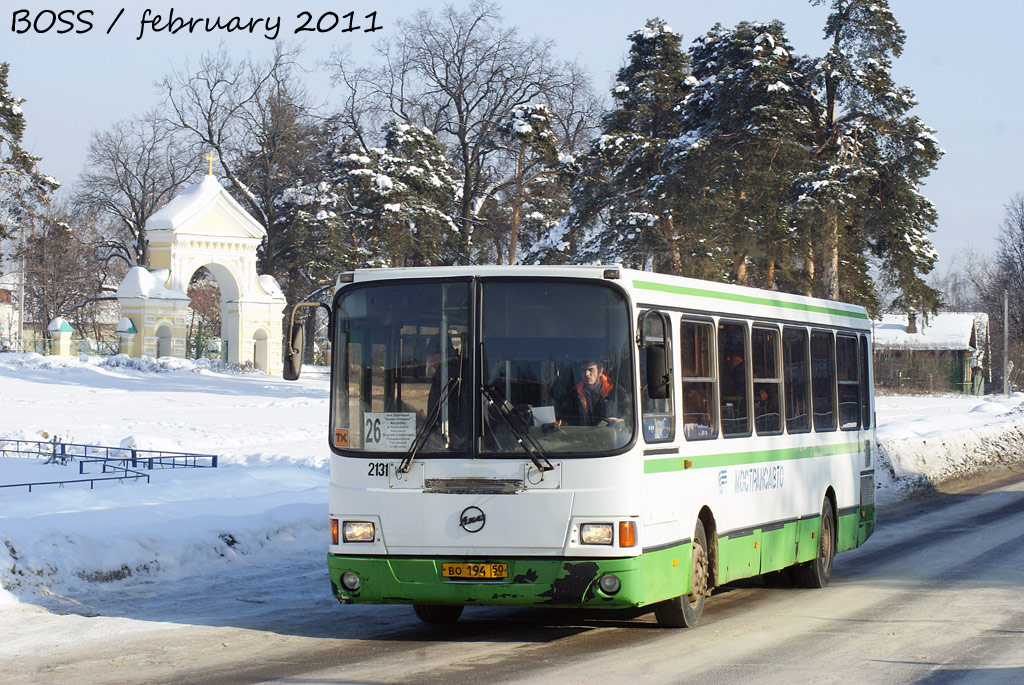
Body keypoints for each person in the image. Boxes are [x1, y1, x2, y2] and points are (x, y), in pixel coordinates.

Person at [567, 359, 631, 430]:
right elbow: (564, 417)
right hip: (578, 438)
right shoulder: (572, 394)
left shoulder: (617, 393)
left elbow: (631, 415)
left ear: (600, 371)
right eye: (583, 370)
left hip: (609, 438)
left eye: (591, 369)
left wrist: (624, 422)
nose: (586, 374)